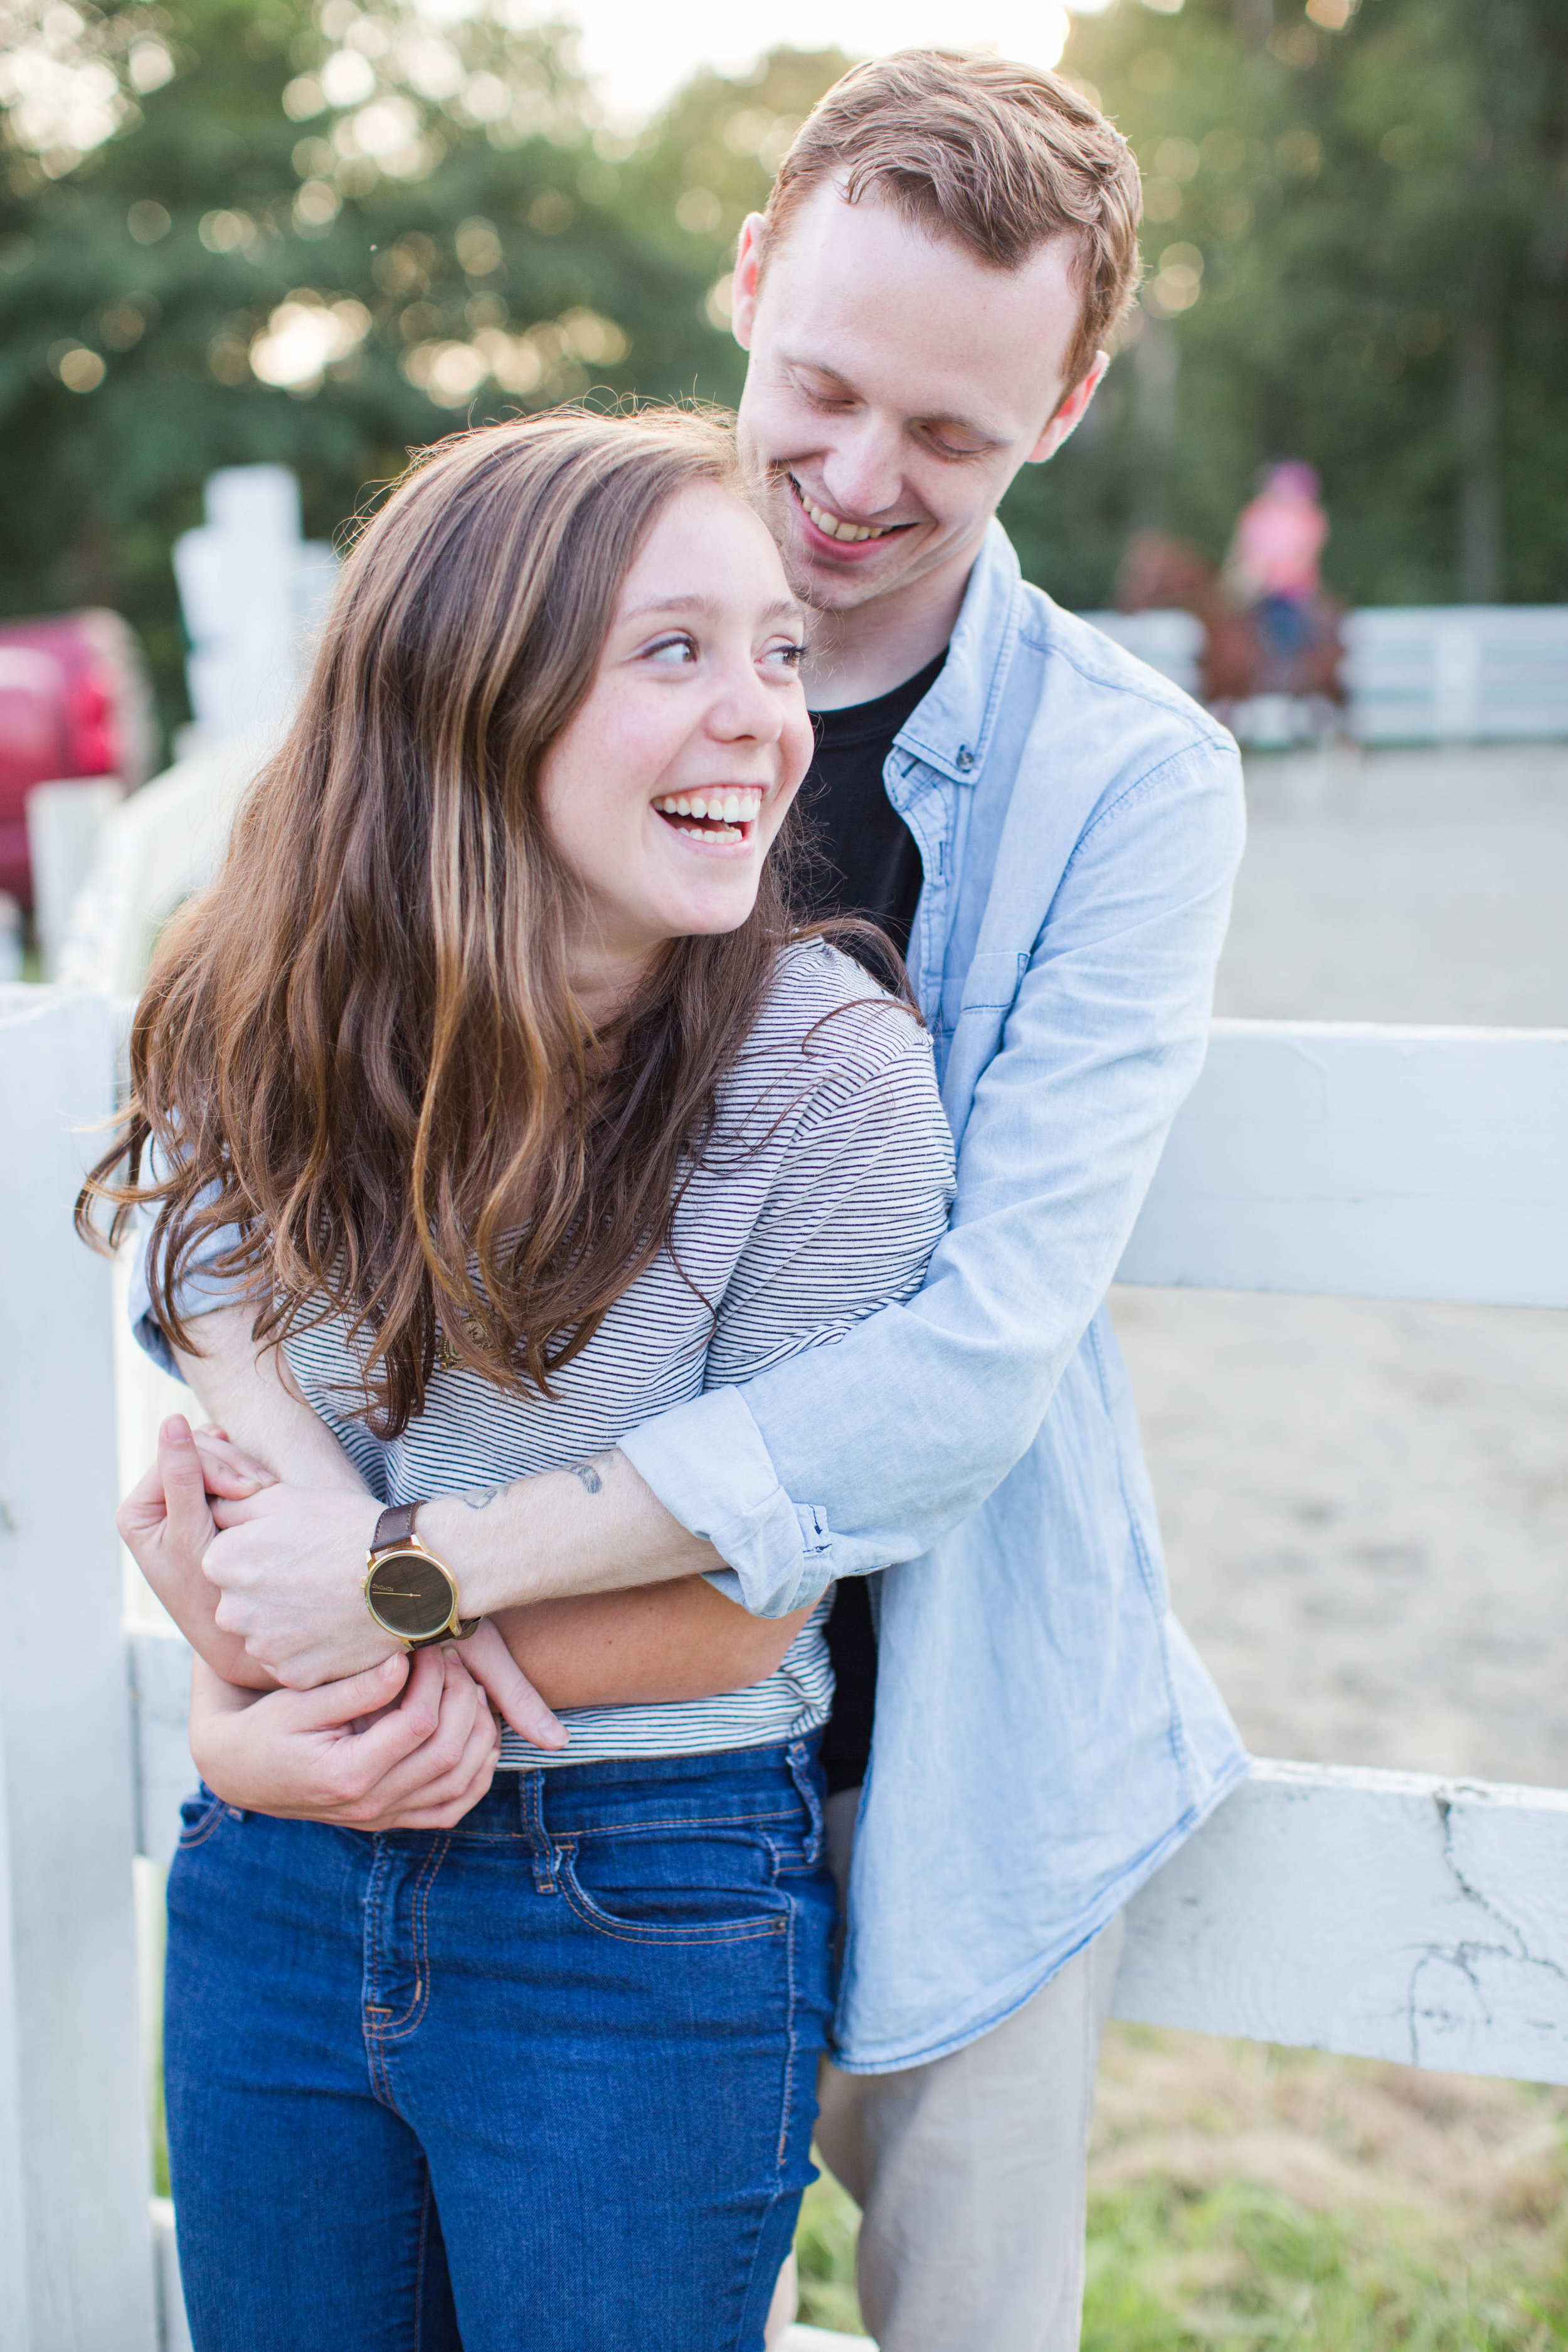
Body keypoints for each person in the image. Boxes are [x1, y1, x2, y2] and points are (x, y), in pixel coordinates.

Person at [120, 50, 1253, 2352]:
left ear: (1063, 408)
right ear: (746, 277)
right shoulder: (509, 635)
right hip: (461, 1761)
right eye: (817, 387)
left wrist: (391, 1586)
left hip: (939, 1719)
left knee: (965, 2310)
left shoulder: (1125, 785)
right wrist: (296, 1596)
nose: (856, 479)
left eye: (948, 432)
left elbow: (968, 1366)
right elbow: (231, 1109)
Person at [81, 405, 958, 2352]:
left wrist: (361, 1610)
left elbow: (741, 1598)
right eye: (674, 649)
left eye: (776, 652)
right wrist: (267, 1691)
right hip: (282, 1868)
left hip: (633, 1891)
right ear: (467, 690)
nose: (759, 715)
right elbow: (203, 1306)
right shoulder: (266, 994)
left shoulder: (825, 1078)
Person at [1224, 459, 1331, 674]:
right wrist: (1232, 577)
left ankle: (1286, 671)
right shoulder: (1255, 513)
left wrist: (1267, 576)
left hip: (1288, 588)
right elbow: (1240, 548)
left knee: (1284, 622)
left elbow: (1304, 558)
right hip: (1248, 583)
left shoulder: (1308, 516)